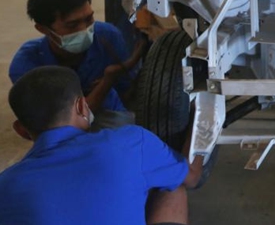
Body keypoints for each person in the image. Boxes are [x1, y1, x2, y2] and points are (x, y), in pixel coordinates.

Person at [0, 66, 203, 225]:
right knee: (172, 185)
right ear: (81, 106)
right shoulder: (130, 143)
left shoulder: (6, 184)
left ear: (20, 130)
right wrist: (201, 119)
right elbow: (192, 177)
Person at [9, 0, 144, 127]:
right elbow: (63, 125)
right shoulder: (27, 66)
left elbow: (127, 93)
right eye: (72, 25)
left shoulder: (108, 36)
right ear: (43, 29)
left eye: (89, 18)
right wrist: (107, 81)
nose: (84, 29)